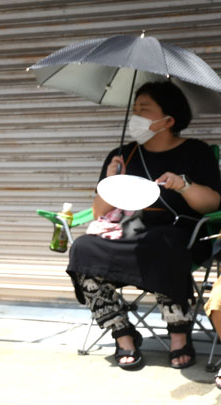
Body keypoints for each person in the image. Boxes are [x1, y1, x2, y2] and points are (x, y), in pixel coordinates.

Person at [67, 81, 221, 371]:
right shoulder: (123, 155)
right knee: (83, 249)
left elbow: (212, 204)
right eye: (134, 108)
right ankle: (123, 334)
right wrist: (110, 181)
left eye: (144, 109)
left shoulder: (196, 152)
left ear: (169, 120)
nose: (135, 116)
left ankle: (179, 334)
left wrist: (183, 185)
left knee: (164, 241)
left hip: (179, 236)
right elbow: (98, 212)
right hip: (128, 232)